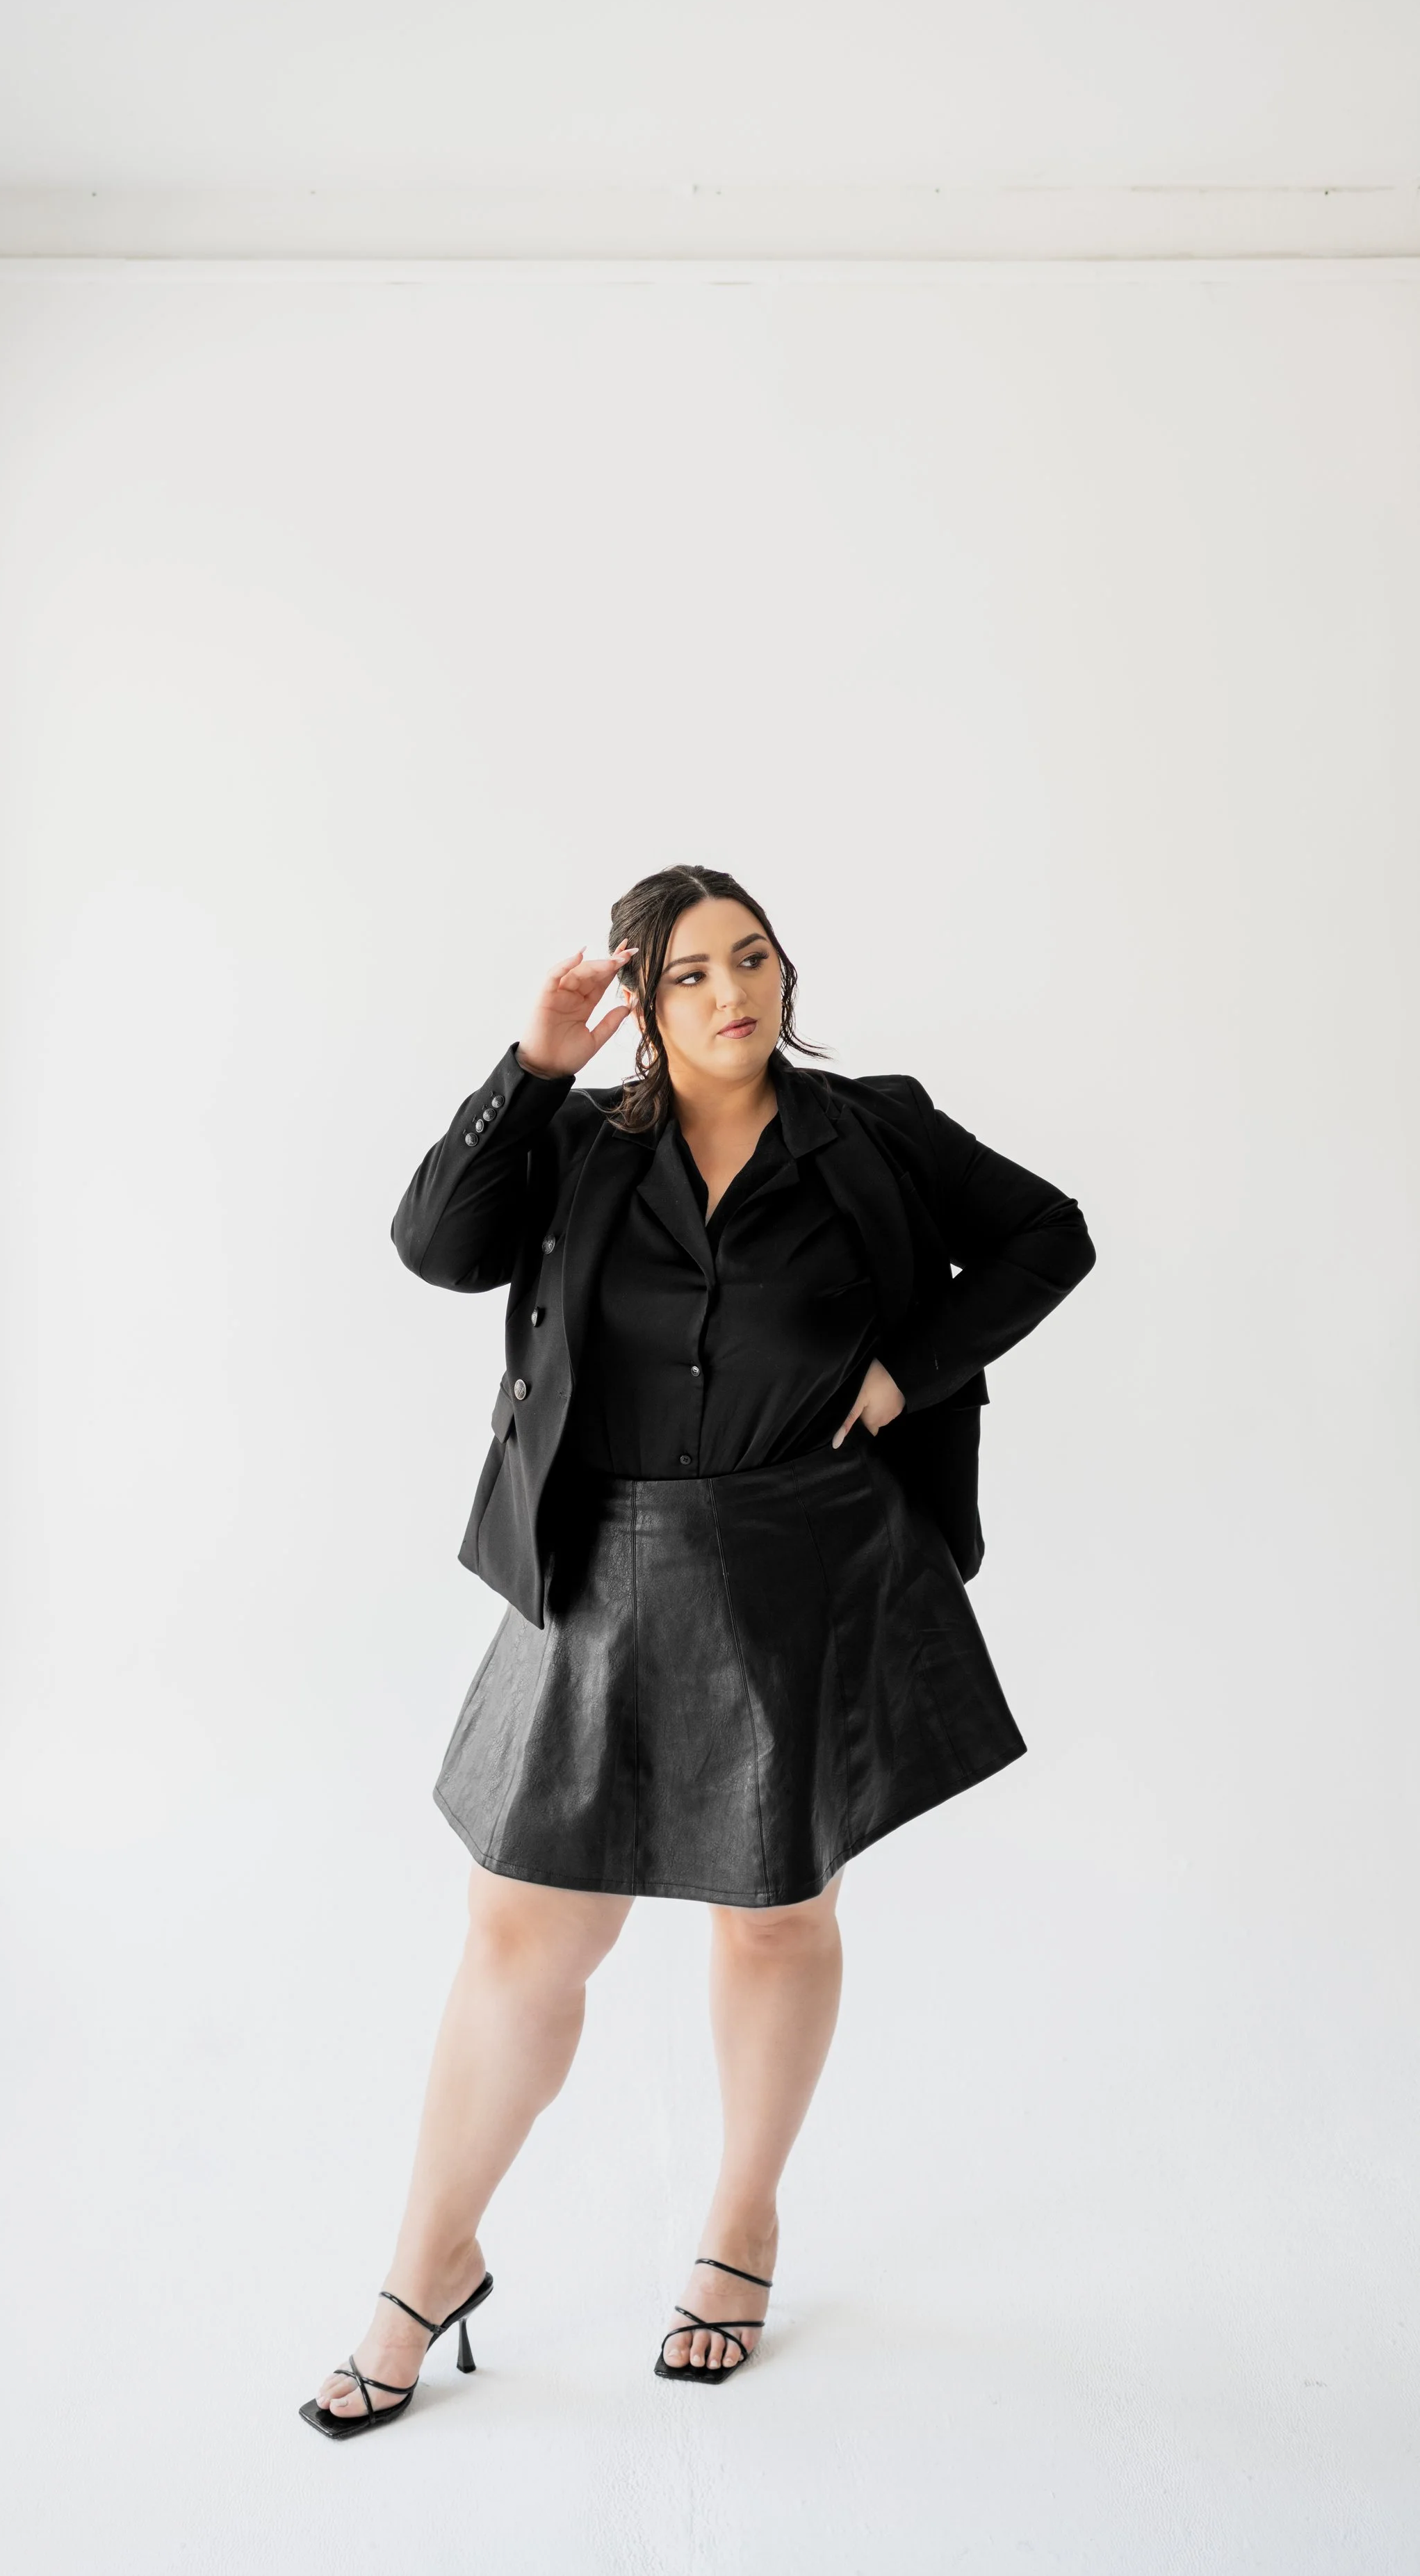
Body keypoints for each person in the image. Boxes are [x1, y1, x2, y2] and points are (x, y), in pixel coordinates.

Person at [301, 863, 1095, 2437]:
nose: (731, 992)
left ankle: (740, 2225)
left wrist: (904, 1377)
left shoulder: (868, 1130)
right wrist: (528, 1066)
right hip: (603, 1560)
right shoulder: (582, 1143)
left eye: (752, 959)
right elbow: (433, 1246)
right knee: (522, 1929)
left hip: (806, 1556)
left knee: (774, 1918)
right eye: (685, 975)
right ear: (642, 1010)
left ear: (786, 975)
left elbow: (1046, 1236)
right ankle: (425, 2262)